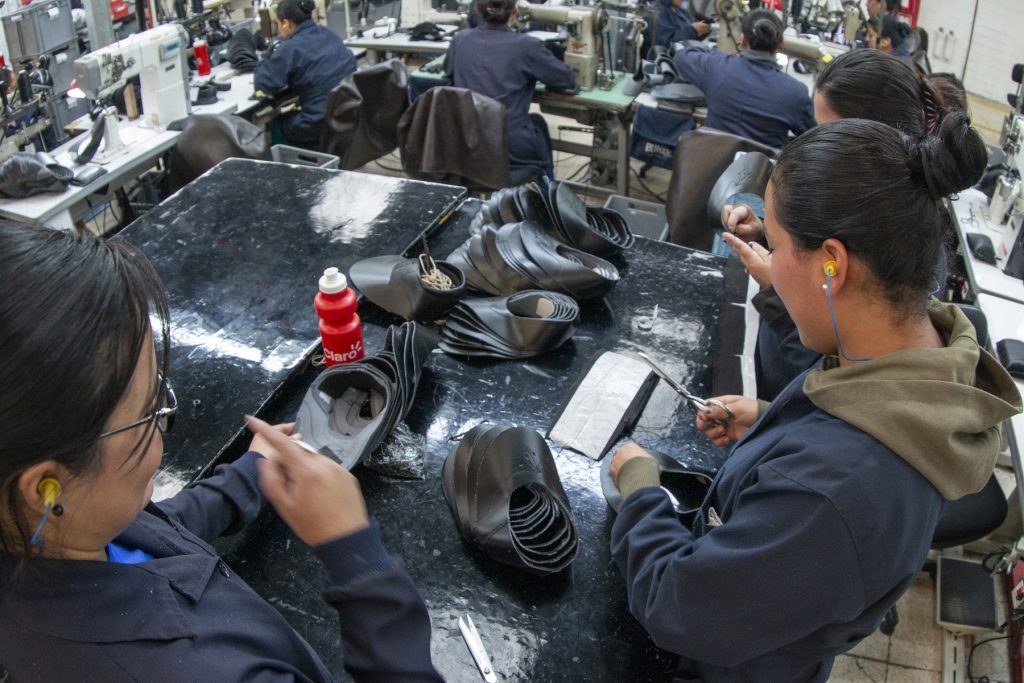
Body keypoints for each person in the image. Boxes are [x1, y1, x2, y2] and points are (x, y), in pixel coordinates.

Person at [608, 116, 1022, 682]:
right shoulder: (912, 364)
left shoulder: (833, 490)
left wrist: (638, 488)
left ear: (833, 265)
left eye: (776, 247)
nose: (770, 266)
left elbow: (675, 608)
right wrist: (774, 426)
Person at [0, 223, 443, 682]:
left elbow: (154, 531)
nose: (162, 417)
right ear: (46, 488)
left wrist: (250, 472)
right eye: (150, 408)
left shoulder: (50, 532)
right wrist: (356, 556)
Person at [722, 49, 965, 399]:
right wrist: (774, 233)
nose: (818, 145)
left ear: (872, 138)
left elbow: (844, 376)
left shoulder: (906, 253)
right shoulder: (862, 209)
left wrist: (779, 288)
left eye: (830, 131)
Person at [444, 0, 576, 178]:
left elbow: (449, 71)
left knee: (538, 123)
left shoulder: (459, 39)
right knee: (536, 124)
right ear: (515, 11)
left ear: (477, 10)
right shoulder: (527, 46)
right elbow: (566, 79)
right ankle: (546, 194)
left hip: (465, 141)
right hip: (508, 146)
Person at [673, 9, 815, 148]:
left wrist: (716, 56)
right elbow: (814, 138)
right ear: (781, 44)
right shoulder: (796, 93)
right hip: (763, 170)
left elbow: (681, 55)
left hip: (712, 167)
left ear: (742, 39)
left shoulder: (716, 67)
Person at [253, 0, 356, 148]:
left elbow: (264, 83)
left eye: (278, 24)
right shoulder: (329, 33)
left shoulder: (291, 48)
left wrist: (266, 58)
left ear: (286, 24)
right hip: (348, 114)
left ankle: (285, 168)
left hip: (318, 122)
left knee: (276, 124)